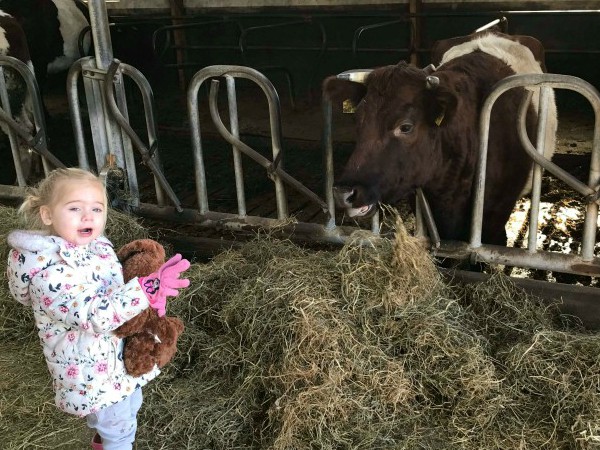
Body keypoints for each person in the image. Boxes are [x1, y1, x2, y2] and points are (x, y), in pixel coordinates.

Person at [5, 167, 190, 450]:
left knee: (129, 409)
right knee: (118, 428)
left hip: (114, 358)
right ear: (47, 215)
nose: (88, 216)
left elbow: (114, 291)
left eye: (97, 208)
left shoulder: (97, 248)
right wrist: (145, 289)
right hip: (89, 374)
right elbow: (95, 316)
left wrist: (147, 294)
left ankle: (103, 444)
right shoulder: (47, 275)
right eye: (75, 208)